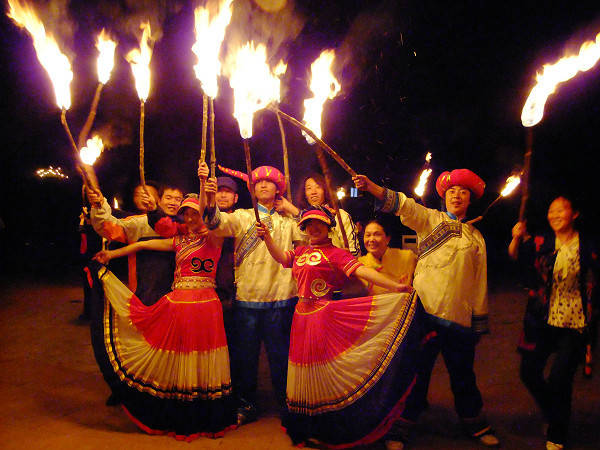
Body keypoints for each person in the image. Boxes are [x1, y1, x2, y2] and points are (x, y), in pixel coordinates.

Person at [354, 169, 499, 448]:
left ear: (470, 200)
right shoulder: (430, 220)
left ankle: (474, 422)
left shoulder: (476, 238)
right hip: (425, 314)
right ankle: (402, 425)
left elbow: (479, 282)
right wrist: (373, 187)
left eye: (464, 192)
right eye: (452, 191)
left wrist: (478, 321)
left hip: (459, 318)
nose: (457, 195)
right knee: (415, 372)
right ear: (444, 197)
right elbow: (405, 205)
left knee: (463, 374)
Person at [255, 207, 422, 447]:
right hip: (300, 316)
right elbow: (282, 258)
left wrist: (395, 287)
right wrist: (267, 238)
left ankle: (325, 425)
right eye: (308, 224)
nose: (313, 228)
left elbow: (362, 271)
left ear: (328, 226)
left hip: (323, 315)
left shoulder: (337, 254)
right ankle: (305, 423)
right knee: (304, 370)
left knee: (321, 370)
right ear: (303, 228)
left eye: (318, 224)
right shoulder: (300, 251)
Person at [91, 191, 236, 440]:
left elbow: (210, 211)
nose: (190, 218)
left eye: (195, 213)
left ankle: (208, 415)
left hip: (206, 306)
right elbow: (145, 243)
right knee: (183, 357)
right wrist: (111, 254)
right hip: (179, 304)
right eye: (186, 214)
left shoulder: (215, 237)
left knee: (204, 357)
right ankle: (185, 414)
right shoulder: (179, 241)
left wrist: (203, 183)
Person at [202, 164, 305, 425]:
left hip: (282, 297)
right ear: (252, 189)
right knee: (245, 357)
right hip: (247, 297)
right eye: (258, 182)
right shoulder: (243, 216)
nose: (262, 185)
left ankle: (286, 404)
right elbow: (213, 222)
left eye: (269, 183)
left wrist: (292, 210)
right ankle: (246, 404)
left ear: (278, 189)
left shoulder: (288, 221)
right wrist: (209, 194)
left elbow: (313, 234)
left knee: (281, 356)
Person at [508, 195, 598, 450]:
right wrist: (516, 237)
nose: (556, 215)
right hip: (541, 319)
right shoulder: (540, 242)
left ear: (574, 214)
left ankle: (557, 434)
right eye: (552, 211)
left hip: (575, 322)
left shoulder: (588, 245)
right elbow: (514, 256)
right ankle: (555, 413)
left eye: (562, 210)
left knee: (560, 380)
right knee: (528, 372)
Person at [87, 183, 183, 306]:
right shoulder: (140, 223)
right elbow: (107, 227)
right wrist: (99, 205)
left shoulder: (186, 227)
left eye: (178, 199)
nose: (173, 202)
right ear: (158, 200)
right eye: (168, 198)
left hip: (178, 296)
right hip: (144, 296)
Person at [277, 173, 360, 256]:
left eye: (318, 187)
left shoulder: (340, 216)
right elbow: (301, 238)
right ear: (305, 194)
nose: (313, 192)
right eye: (309, 188)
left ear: (325, 191)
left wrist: (293, 210)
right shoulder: (303, 220)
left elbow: (354, 252)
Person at [358, 218, 417, 295]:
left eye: (377, 234)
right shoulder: (360, 264)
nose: (371, 239)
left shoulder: (407, 257)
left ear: (387, 239)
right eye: (368, 235)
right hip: (375, 306)